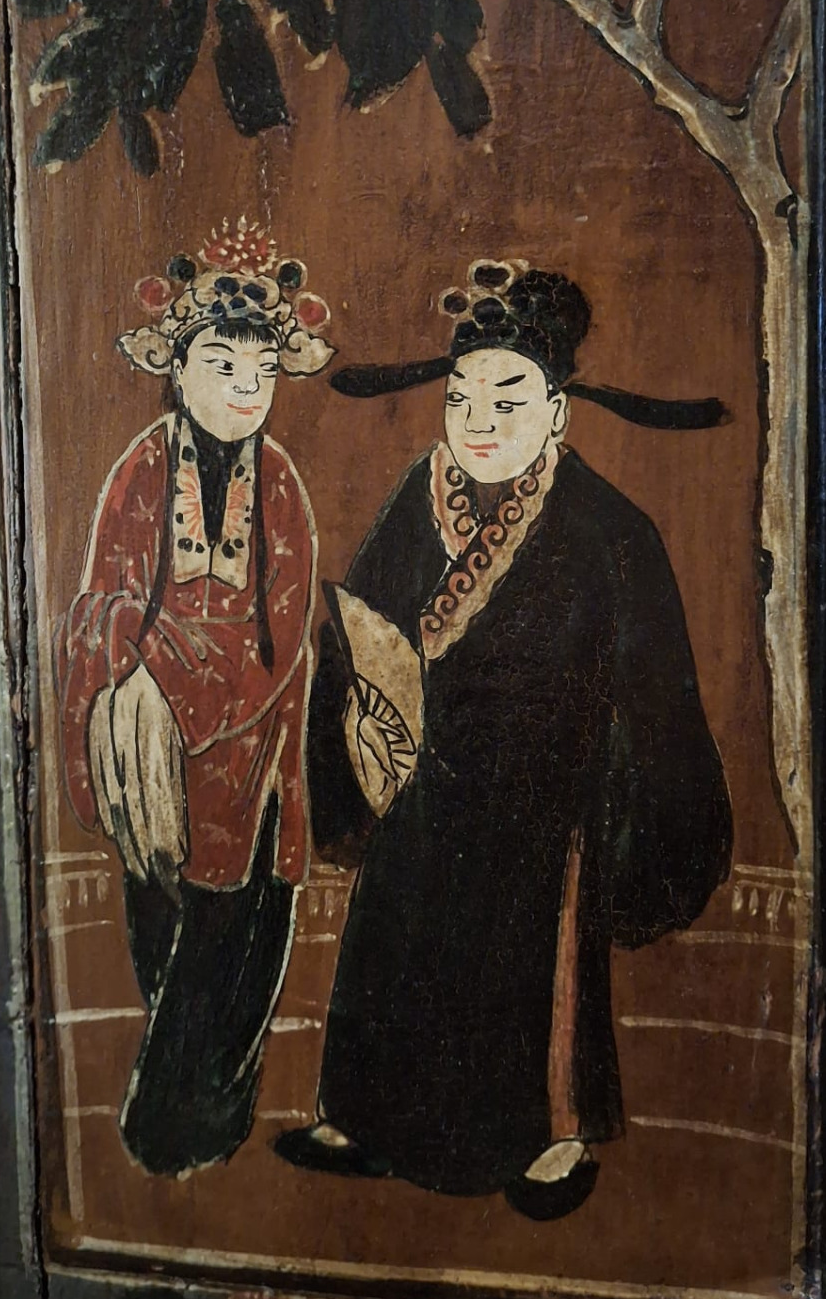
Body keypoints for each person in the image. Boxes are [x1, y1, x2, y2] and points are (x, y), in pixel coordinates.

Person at [275, 261, 733, 1219]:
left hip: (545, 806)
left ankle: (553, 1137)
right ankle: (364, 1117)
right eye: (463, 398)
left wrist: (638, 805)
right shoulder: (417, 500)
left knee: (535, 976)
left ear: (557, 412)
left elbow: (659, 700)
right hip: (420, 789)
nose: (479, 421)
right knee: (394, 934)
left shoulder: (612, 531)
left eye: (508, 399)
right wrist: (359, 730)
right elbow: (356, 638)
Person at [55, 220, 333, 1175]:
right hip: (154, 767)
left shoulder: (281, 484)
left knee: (236, 956)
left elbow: (283, 633)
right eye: (221, 365)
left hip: (254, 763)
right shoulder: (139, 472)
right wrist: (129, 687)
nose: (244, 390)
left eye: (262, 371)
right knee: (164, 951)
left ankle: (182, 1131)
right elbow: (102, 604)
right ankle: (187, 1131)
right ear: (177, 369)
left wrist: (173, 683)